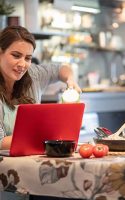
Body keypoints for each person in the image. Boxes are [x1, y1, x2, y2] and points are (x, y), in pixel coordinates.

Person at [0, 25, 81, 199]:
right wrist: (45, 138)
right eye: (16, 55)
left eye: (28, 58)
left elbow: (61, 68)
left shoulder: (33, 75)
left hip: (36, 166)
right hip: (7, 175)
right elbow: (0, 142)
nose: (22, 64)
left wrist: (70, 80)